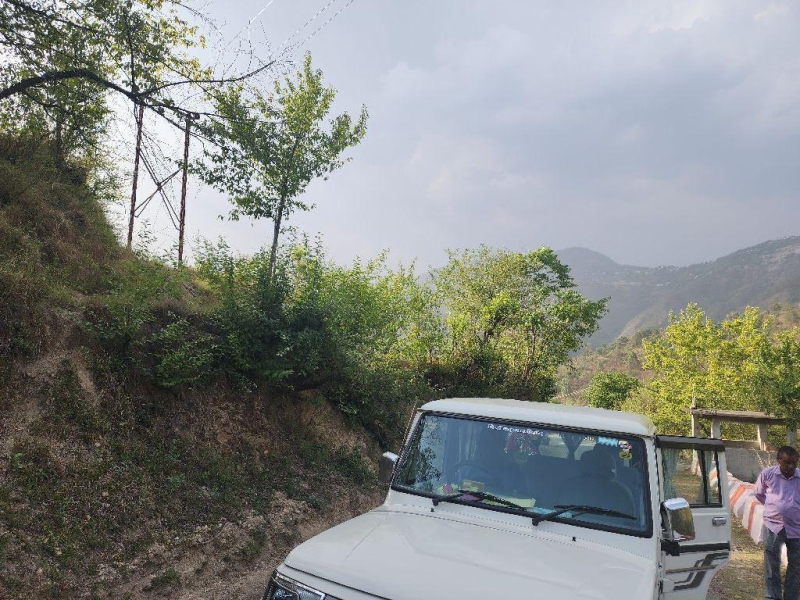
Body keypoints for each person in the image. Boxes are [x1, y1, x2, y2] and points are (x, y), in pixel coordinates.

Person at [755, 446, 800, 600]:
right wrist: (774, 508)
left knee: (796, 566)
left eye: (794, 462)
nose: (791, 466)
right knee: (771, 564)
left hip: (797, 528)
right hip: (773, 526)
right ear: (778, 460)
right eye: (787, 462)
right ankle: (773, 597)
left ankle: (791, 597)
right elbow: (759, 494)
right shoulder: (767, 474)